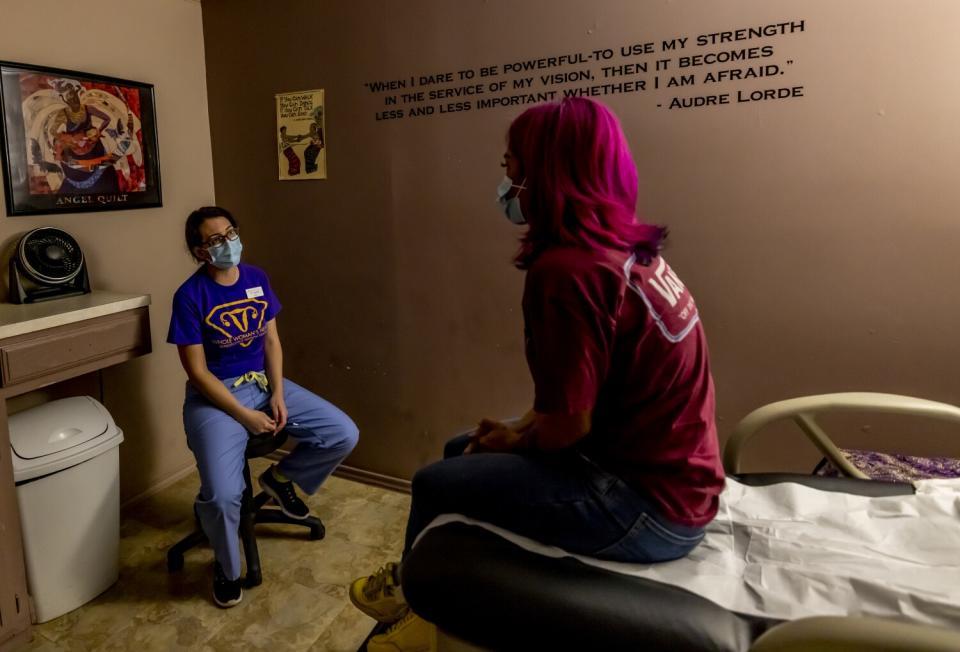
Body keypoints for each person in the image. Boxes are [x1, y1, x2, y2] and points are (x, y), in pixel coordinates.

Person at [349, 97, 726, 651]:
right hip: (678, 479)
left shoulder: (567, 273)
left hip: (649, 508)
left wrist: (518, 441)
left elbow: (567, 429)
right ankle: (415, 583)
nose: (505, 181)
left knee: (436, 482)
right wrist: (514, 435)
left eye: (511, 166)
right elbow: (572, 401)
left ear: (544, 172)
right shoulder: (627, 251)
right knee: (463, 448)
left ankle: (419, 604)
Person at [167, 206, 359, 607]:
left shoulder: (256, 278)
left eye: (230, 232)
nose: (227, 243)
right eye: (215, 239)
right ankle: (226, 564)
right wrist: (244, 415)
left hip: (262, 384)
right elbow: (198, 373)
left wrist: (275, 393)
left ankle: (282, 480)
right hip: (215, 398)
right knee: (221, 496)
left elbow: (271, 340)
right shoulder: (189, 296)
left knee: (342, 433)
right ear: (200, 251)